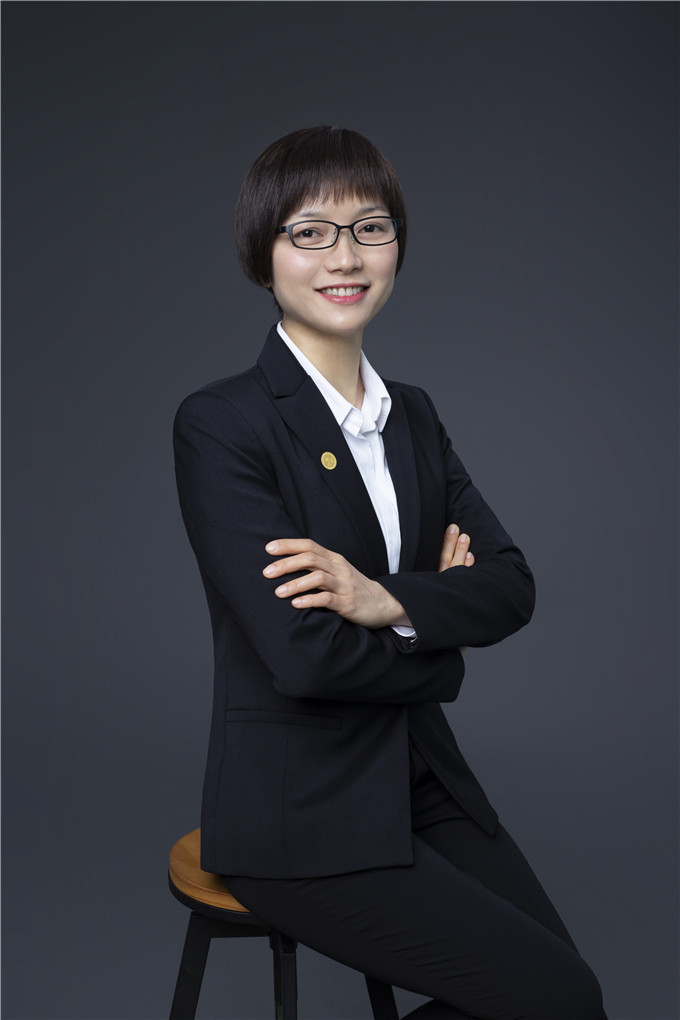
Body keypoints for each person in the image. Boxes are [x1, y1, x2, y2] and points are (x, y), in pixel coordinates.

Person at [173, 126, 607, 1020]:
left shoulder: (413, 416)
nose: (347, 257)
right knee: (553, 999)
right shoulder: (222, 425)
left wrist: (386, 601)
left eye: (371, 228)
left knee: (571, 999)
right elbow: (304, 657)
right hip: (300, 813)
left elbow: (511, 584)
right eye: (311, 232)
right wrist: (441, 644)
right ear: (262, 254)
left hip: (421, 782)